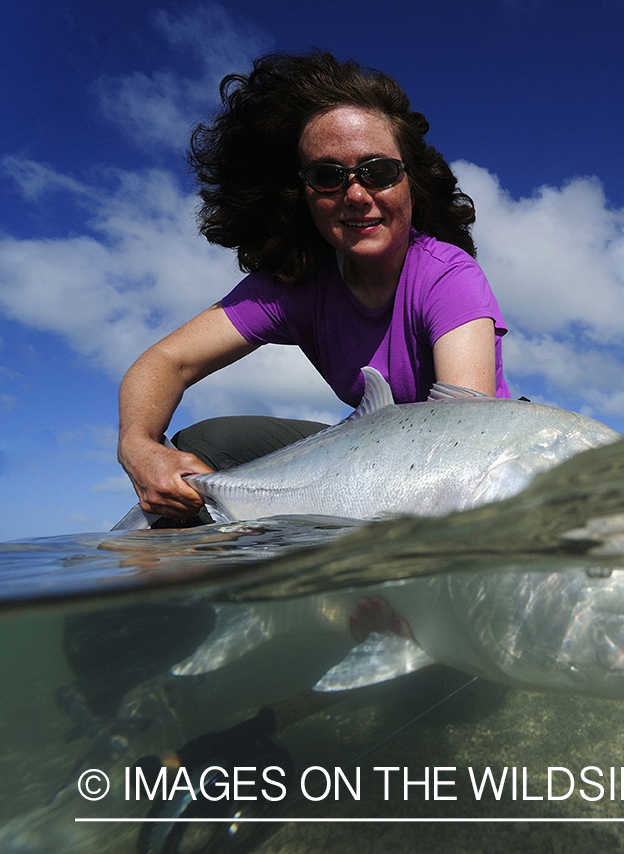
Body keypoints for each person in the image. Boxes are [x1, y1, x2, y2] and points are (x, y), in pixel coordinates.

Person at [117, 51, 509, 525]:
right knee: (208, 443)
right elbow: (166, 361)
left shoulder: (448, 275)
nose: (357, 195)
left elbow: (458, 445)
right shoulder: (296, 284)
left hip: (461, 475)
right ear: (301, 193)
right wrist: (138, 447)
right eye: (328, 176)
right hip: (360, 456)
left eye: (379, 171)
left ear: (411, 181)